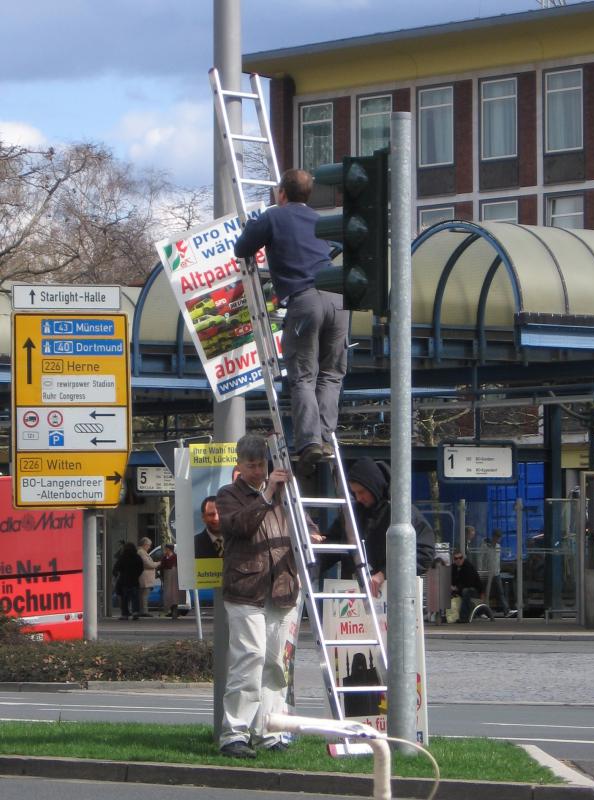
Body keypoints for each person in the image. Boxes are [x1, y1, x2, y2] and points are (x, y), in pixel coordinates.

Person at [233, 168, 350, 474]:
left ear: (281, 193)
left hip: (305, 300)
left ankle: (310, 442)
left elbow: (242, 248)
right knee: (332, 374)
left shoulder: (274, 216)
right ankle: (326, 437)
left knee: (303, 375)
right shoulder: (319, 219)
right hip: (339, 299)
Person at [215, 433, 324, 759]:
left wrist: (311, 533)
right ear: (239, 465)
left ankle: (270, 732)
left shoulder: (284, 495)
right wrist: (266, 494)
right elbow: (240, 527)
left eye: (262, 464)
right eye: (251, 466)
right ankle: (233, 734)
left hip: (283, 590)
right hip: (245, 592)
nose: (258, 471)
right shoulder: (228, 495)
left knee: (276, 664)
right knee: (248, 660)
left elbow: (303, 523)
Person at [329, 457, 434, 598]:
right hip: (356, 597)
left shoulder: (402, 513)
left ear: (373, 486)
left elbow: (424, 552)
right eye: (354, 493)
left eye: (361, 492)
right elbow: (331, 545)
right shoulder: (352, 515)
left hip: (395, 596)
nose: (358, 498)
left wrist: (385, 573)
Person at [482, 530, 517, 617]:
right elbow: (481, 558)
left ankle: (506, 610)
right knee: (487, 593)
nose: (498, 539)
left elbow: (498, 559)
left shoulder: (498, 546)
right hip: (488, 572)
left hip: (496, 572)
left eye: (499, 537)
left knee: (500, 592)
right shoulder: (486, 546)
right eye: (497, 537)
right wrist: (482, 569)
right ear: (493, 536)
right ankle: (484, 612)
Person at [112, 541, 143, 621]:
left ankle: (125, 614)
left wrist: (116, 575)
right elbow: (141, 568)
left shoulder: (123, 557)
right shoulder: (137, 557)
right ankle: (135, 612)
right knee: (135, 598)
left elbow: (116, 568)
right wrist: (136, 575)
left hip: (124, 581)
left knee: (124, 599)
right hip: (134, 581)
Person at [450, 550, 484, 623]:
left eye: (460, 558)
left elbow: (469, 583)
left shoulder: (468, 566)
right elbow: (452, 581)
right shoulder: (453, 568)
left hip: (475, 590)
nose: (458, 560)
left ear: (463, 558)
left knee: (466, 591)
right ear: (453, 560)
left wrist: (456, 588)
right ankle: (444, 615)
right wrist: (452, 587)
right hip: (461, 590)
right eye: (456, 558)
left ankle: (464, 617)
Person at [137, 537, 160, 617]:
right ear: (145, 545)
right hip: (144, 578)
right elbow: (148, 564)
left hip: (145, 578)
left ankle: (143, 610)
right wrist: (158, 563)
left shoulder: (141, 552)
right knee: (144, 595)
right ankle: (144, 611)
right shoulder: (141, 552)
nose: (149, 547)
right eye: (148, 545)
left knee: (143, 595)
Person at [159, 543, 181, 619]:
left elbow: (173, 566)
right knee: (168, 595)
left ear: (169, 549)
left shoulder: (175, 557)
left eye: (166, 548)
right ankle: (172, 611)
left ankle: (175, 611)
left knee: (174, 595)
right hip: (167, 578)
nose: (165, 550)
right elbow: (162, 567)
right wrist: (161, 576)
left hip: (174, 578)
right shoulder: (164, 557)